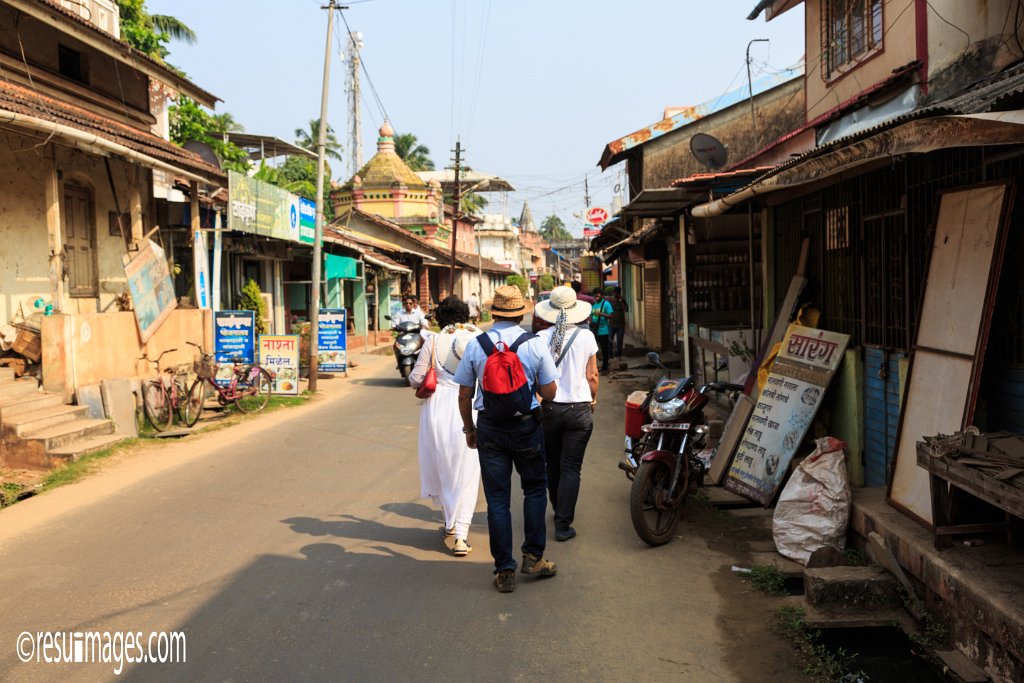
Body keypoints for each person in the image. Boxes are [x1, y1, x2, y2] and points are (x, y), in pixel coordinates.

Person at [455, 285, 559, 593]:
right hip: (526, 426)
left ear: (493, 312)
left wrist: (469, 429)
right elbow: (551, 391)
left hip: (489, 427)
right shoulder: (535, 343)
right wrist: (534, 396)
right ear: (523, 313)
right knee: (535, 490)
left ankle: (504, 570)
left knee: (497, 500)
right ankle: (533, 557)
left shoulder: (476, 345)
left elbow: (464, 394)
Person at [409, 297, 482, 557]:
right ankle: (460, 533)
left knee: (444, 468)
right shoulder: (479, 336)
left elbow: (416, 378)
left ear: (441, 317)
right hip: (472, 405)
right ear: (466, 314)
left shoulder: (434, 340)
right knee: (468, 471)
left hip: (439, 409)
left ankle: (452, 527)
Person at [535, 286, 599, 542]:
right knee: (571, 467)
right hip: (579, 410)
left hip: (550, 409)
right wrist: (593, 398)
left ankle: (557, 506)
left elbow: (536, 374)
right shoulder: (587, 337)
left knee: (553, 464)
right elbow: (592, 375)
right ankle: (563, 523)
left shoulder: (541, 338)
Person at [590, 288, 613, 373]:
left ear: (602, 296)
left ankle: (604, 368)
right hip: (595, 331)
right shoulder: (594, 305)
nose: (596, 297)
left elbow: (610, 316)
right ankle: (594, 367)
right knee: (594, 350)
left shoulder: (606, 304)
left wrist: (601, 314)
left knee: (605, 350)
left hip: (604, 331)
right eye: (595, 295)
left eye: (598, 295)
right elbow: (591, 316)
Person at [608, 286, 628, 360]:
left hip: (620, 325)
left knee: (620, 341)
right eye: (615, 293)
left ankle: (618, 355)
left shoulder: (622, 301)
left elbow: (626, 309)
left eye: (617, 293)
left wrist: (621, 301)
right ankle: (610, 355)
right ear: (613, 293)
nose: (615, 294)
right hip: (611, 324)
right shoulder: (610, 301)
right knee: (610, 340)